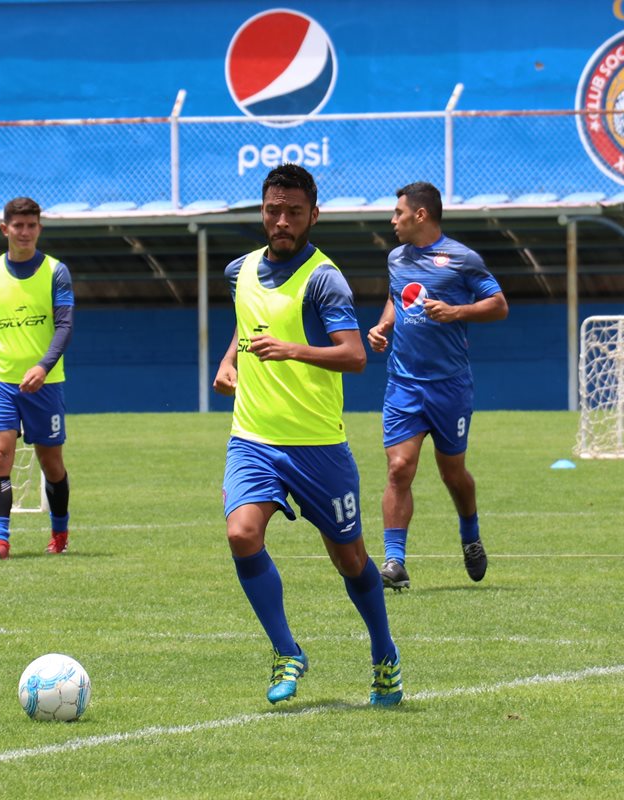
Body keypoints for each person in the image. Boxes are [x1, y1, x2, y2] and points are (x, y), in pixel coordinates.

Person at [213, 163, 402, 707]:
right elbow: (246, 325)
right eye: (274, 210)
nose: (282, 221)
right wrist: (229, 363)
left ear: (313, 215)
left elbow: (355, 355)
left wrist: (293, 350)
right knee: (241, 535)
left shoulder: (325, 279)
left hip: (318, 447)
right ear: (262, 211)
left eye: (294, 212)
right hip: (253, 438)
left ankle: (384, 655)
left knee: (350, 560)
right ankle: (287, 649)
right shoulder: (239, 271)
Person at [366, 181, 508, 590]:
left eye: (398, 213)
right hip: (404, 385)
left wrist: (457, 310)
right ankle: (394, 563)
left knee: (453, 473)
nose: (393, 220)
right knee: (399, 468)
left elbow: (498, 305)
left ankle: (470, 534)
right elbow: (397, 297)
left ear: (420, 215)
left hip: (450, 387)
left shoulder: (462, 259)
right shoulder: (396, 258)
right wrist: (382, 326)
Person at [0, 196, 74, 560]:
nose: (25, 232)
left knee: (51, 464)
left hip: (46, 383)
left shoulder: (56, 272)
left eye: (31, 225)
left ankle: (59, 531)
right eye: (18, 226)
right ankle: (0, 541)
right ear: (5, 229)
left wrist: (43, 367)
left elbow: (64, 326)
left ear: (39, 228)